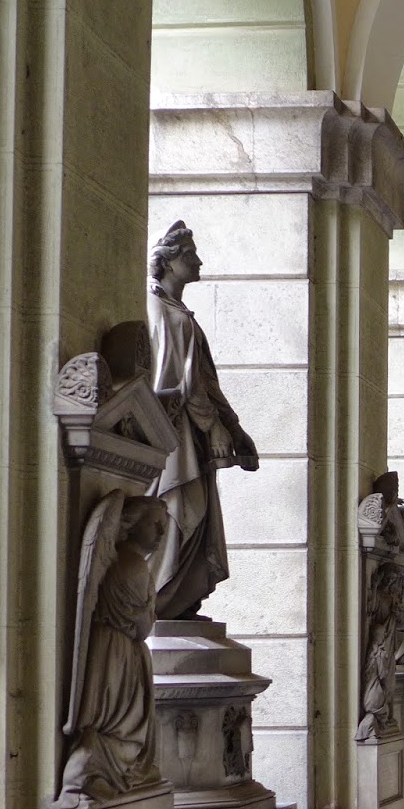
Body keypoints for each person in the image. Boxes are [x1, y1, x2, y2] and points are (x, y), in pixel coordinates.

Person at [146, 221, 259, 619]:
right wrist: (213, 426)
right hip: (174, 432)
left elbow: (206, 382)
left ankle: (180, 598)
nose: (198, 262)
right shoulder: (158, 308)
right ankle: (162, 596)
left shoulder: (179, 313)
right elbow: (180, 383)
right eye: (190, 255)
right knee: (179, 506)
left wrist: (234, 427)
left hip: (194, 433)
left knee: (196, 511)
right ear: (168, 261)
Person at [62, 495, 170, 800]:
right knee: (117, 723)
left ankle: (95, 772)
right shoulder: (134, 566)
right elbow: (144, 627)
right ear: (131, 525)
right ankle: (91, 772)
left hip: (112, 648)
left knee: (113, 722)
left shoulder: (123, 560)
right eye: (155, 524)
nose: (161, 533)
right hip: (118, 653)